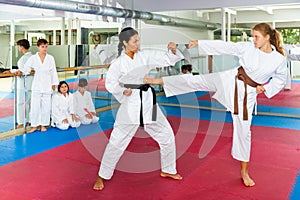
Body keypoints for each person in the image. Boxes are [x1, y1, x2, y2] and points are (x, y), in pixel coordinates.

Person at [144, 23, 287, 187]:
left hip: (248, 94)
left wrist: (266, 88)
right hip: (230, 79)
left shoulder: (278, 59)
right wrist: (200, 43)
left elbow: (281, 79)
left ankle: (244, 172)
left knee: (243, 132)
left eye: (257, 37)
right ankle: (157, 81)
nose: (253, 40)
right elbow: (227, 46)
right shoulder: (248, 48)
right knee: (197, 81)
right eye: (252, 36)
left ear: (267, 37)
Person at [93, 27, 184, 191]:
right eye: (135, 41)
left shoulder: (145, 55)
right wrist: (122, 91)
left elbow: (166, 59)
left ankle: (168, 169)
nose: (138, 43)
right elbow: (110, 83)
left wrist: (173, 51)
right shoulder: (118, 63)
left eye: (138, 40)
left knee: (167, 135)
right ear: (125, 43)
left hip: (149, 101)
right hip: (131, 103)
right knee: (117, 141)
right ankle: (102, 176)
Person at [19, 38, 59, 133]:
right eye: (42, 47)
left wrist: (54, 83)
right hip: (37, 84)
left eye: (46, 46)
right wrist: (21, 71)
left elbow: (53, 71)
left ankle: (43, 124)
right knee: (35, 106)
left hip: (47, 83)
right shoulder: (33, 58)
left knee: (46, 105)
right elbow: (26, 68)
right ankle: (34, 125)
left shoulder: (50, 58)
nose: (44, 48)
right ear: (38, 47)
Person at [4, 39, 33, 129]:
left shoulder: (25, 58)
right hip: (30, 81)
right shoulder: (32, 57)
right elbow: (23, 69)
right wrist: (11, 71)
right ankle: (29, 121)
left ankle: (20, 123)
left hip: (23, 80)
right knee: (29, 102)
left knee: (20, 102)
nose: (18, 48)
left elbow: (23, 70)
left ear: (22, 47)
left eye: (18, 46)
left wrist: (13, 71)